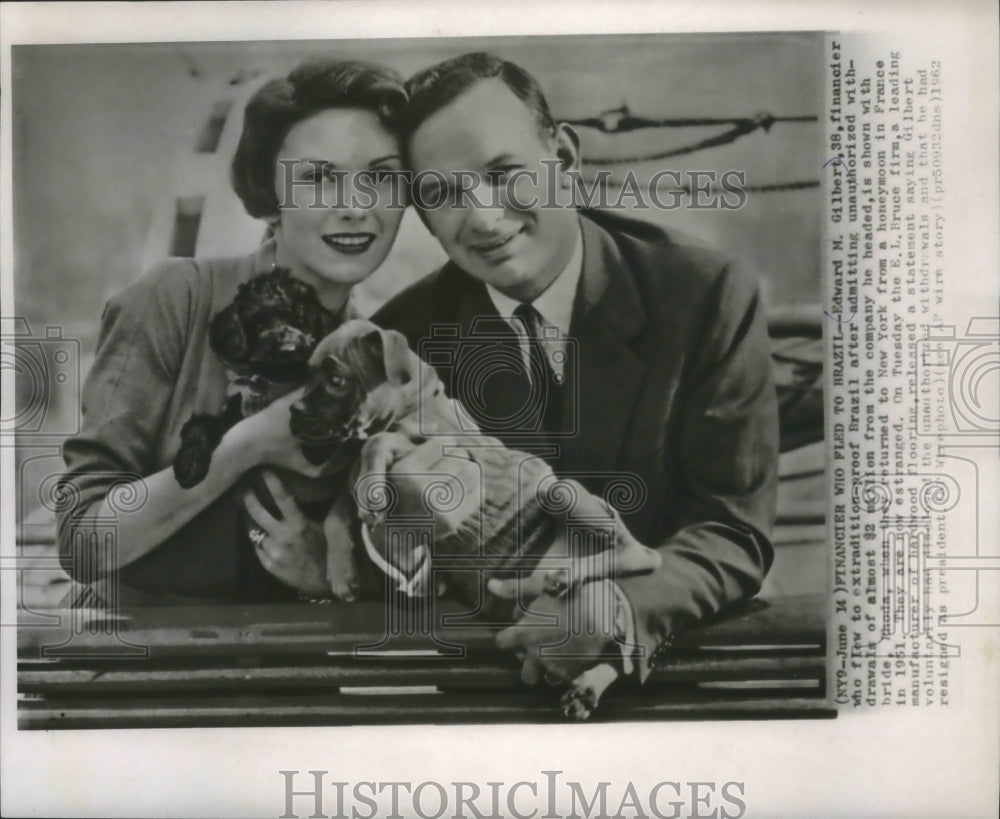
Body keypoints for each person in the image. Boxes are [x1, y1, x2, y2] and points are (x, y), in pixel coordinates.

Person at [372, 53, 779, 688]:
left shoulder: (704, 294)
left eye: (504, 173)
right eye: (441, 193)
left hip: (665, 675)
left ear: (563, 158)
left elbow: (731, 528)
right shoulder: (409, 339)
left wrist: (611, 607)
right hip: (482, 688)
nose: (481, 217)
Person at [56, 58, 409, 606]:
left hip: (291, 677)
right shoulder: (176, 296)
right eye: (318, 178)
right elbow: (83, 542)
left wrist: (325, 570)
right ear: (269, 194)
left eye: (382, 177)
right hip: (137, 672)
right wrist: (244, 446)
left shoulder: (380, 356)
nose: (356, 207)